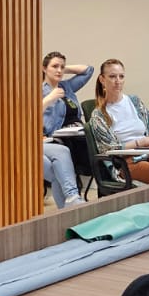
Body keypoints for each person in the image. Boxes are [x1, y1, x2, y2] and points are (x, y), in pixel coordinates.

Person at [85, 59, 149, 183]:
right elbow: (110, 150)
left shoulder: (135, 101)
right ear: (102, 79)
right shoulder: (98, 115)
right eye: (112, 76)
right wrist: (141, 142)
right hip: (126, 163)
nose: (118, 81)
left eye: (121, 76)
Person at [41, 52, 92, 208]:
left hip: (77, 133)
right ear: (44, 69)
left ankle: (67, 207)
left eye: (61, 67)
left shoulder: (66, 86)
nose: (59, 70)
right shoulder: (38, 90)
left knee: (93, 145)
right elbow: (26, 115)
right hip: (54, 138)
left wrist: (64, 69)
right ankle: (72, 197)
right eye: (54, 66)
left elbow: (88, 70)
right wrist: (49, 99)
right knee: (61, 158)